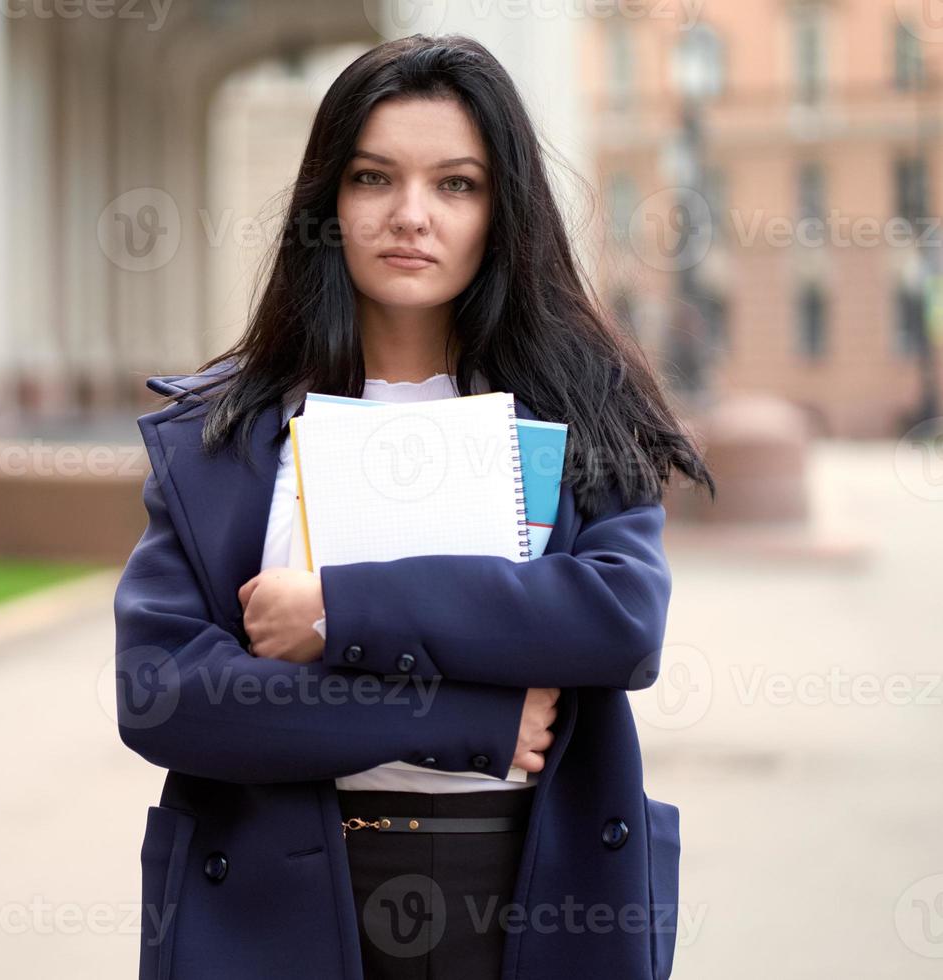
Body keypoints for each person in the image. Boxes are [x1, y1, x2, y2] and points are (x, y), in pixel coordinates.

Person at [114, 32, 715, 980]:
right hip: (280, 914)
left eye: (456, 184)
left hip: (526, 902)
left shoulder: (580, 411)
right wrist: (455, 719)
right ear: (328, 201)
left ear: (501, 210)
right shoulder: (222, 434)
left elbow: (617, 622)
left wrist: (335, 612)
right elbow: (166, 699)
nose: (410, 215)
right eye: (372, 178)